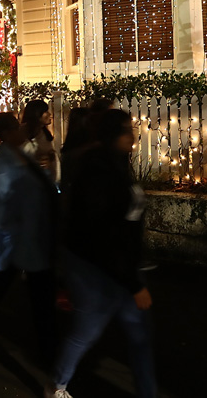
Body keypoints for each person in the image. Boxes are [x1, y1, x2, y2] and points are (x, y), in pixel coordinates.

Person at [48, 108, 155, 398]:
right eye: (126, 129)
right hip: (93, 267)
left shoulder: (117, 164)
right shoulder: (97, 170)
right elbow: (103, 233)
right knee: (87, 331)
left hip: (121, 267)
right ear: (112, 135)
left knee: (139, 339)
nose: (132, 135)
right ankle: (57, 386)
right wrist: (132, 283)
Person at [0, 112, 56, 367]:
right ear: (5, 133)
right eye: (16, 126)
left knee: (4, 286)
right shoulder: (2, 164)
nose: (21, 129)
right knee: (3, 286)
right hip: (14, 238)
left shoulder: (21, 154)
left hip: (28, 236)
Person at [21, 99, 59, 187]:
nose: (50, 114)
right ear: (37, 114)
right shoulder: (23, 133)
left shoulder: (44, 133)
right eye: (46, 111)